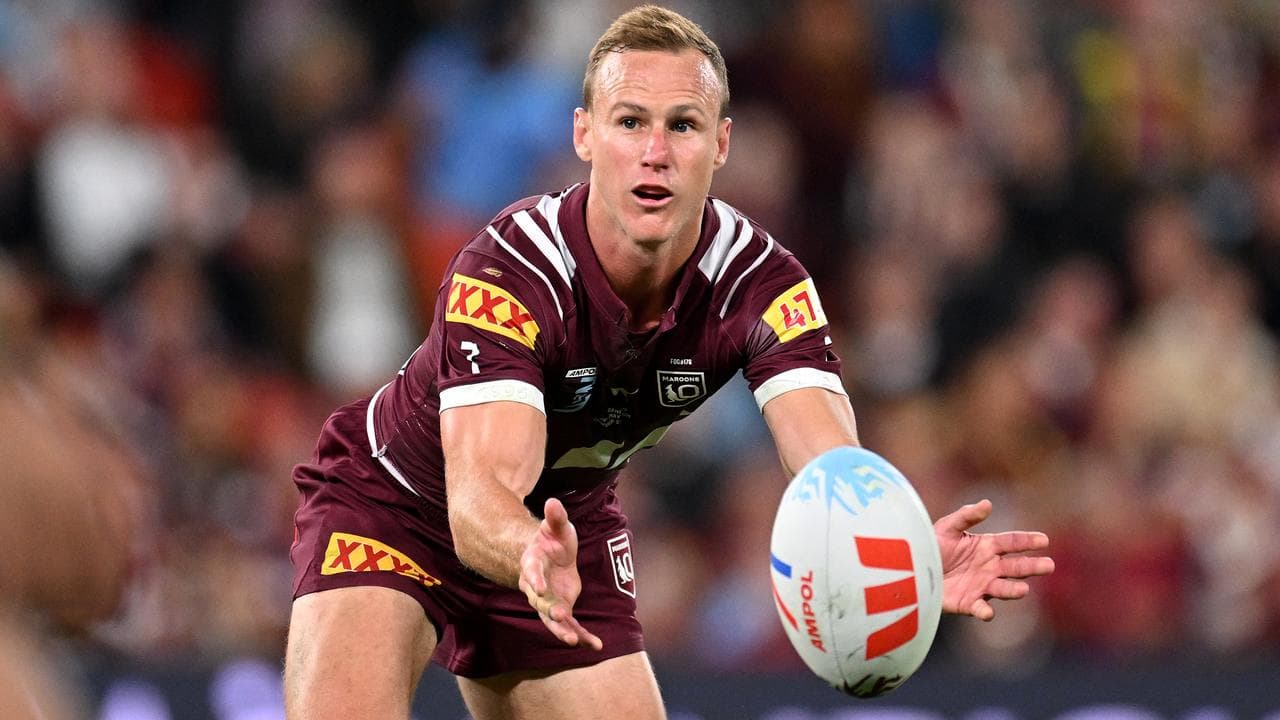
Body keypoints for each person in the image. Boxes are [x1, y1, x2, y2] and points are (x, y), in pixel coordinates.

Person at [284, 6, 1055, 719]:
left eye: (683, 125)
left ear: (721, 143)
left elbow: (828, 464)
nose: (655, 153)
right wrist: (527, 551)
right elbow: (479, 492)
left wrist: (898, 555)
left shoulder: (763, 284)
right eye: (631, 122)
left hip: (567, 526)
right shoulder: (512, 269)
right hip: (398, 505)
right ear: (585, 135)